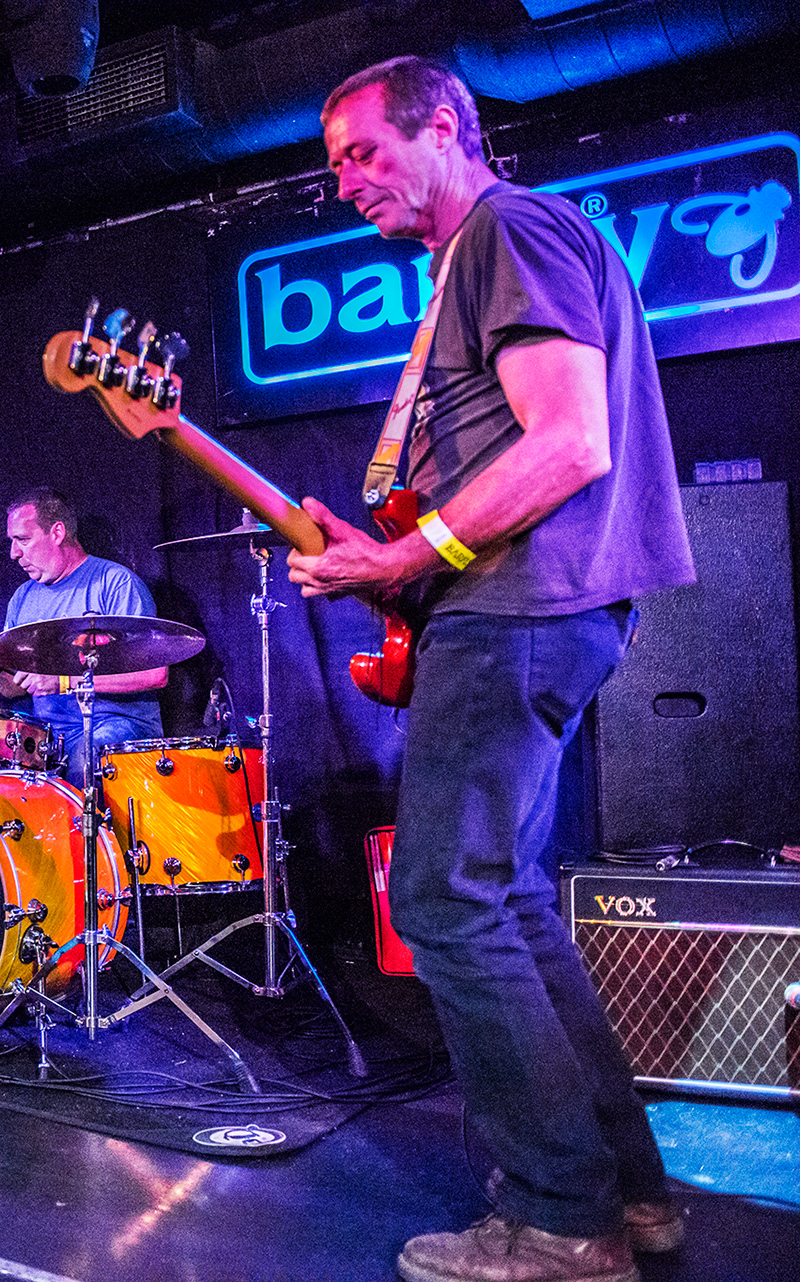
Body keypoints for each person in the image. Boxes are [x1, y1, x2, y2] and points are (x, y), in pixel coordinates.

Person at [287, 57, 695, 1282]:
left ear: (447, 129)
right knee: (501, 896)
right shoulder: (485, 256)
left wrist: (405, 555)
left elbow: (570, 440)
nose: (347, 181)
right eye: (335, 165)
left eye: (365, 151)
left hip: (517, 611)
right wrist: (390, 556)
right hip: (530, 609)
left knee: (443, 899)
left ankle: (561, 1221)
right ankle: (628, 1194)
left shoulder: (507, 230)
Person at [0, 488, 168, 781]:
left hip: (116, 727)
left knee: (83, 757)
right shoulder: (22, 598)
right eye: (12, 541)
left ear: (57, 532)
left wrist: (63, 682)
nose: (14, 553)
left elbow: (154, 675)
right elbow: (22, 681)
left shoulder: (116, 584)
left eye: (23, 539)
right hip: (46, 736)